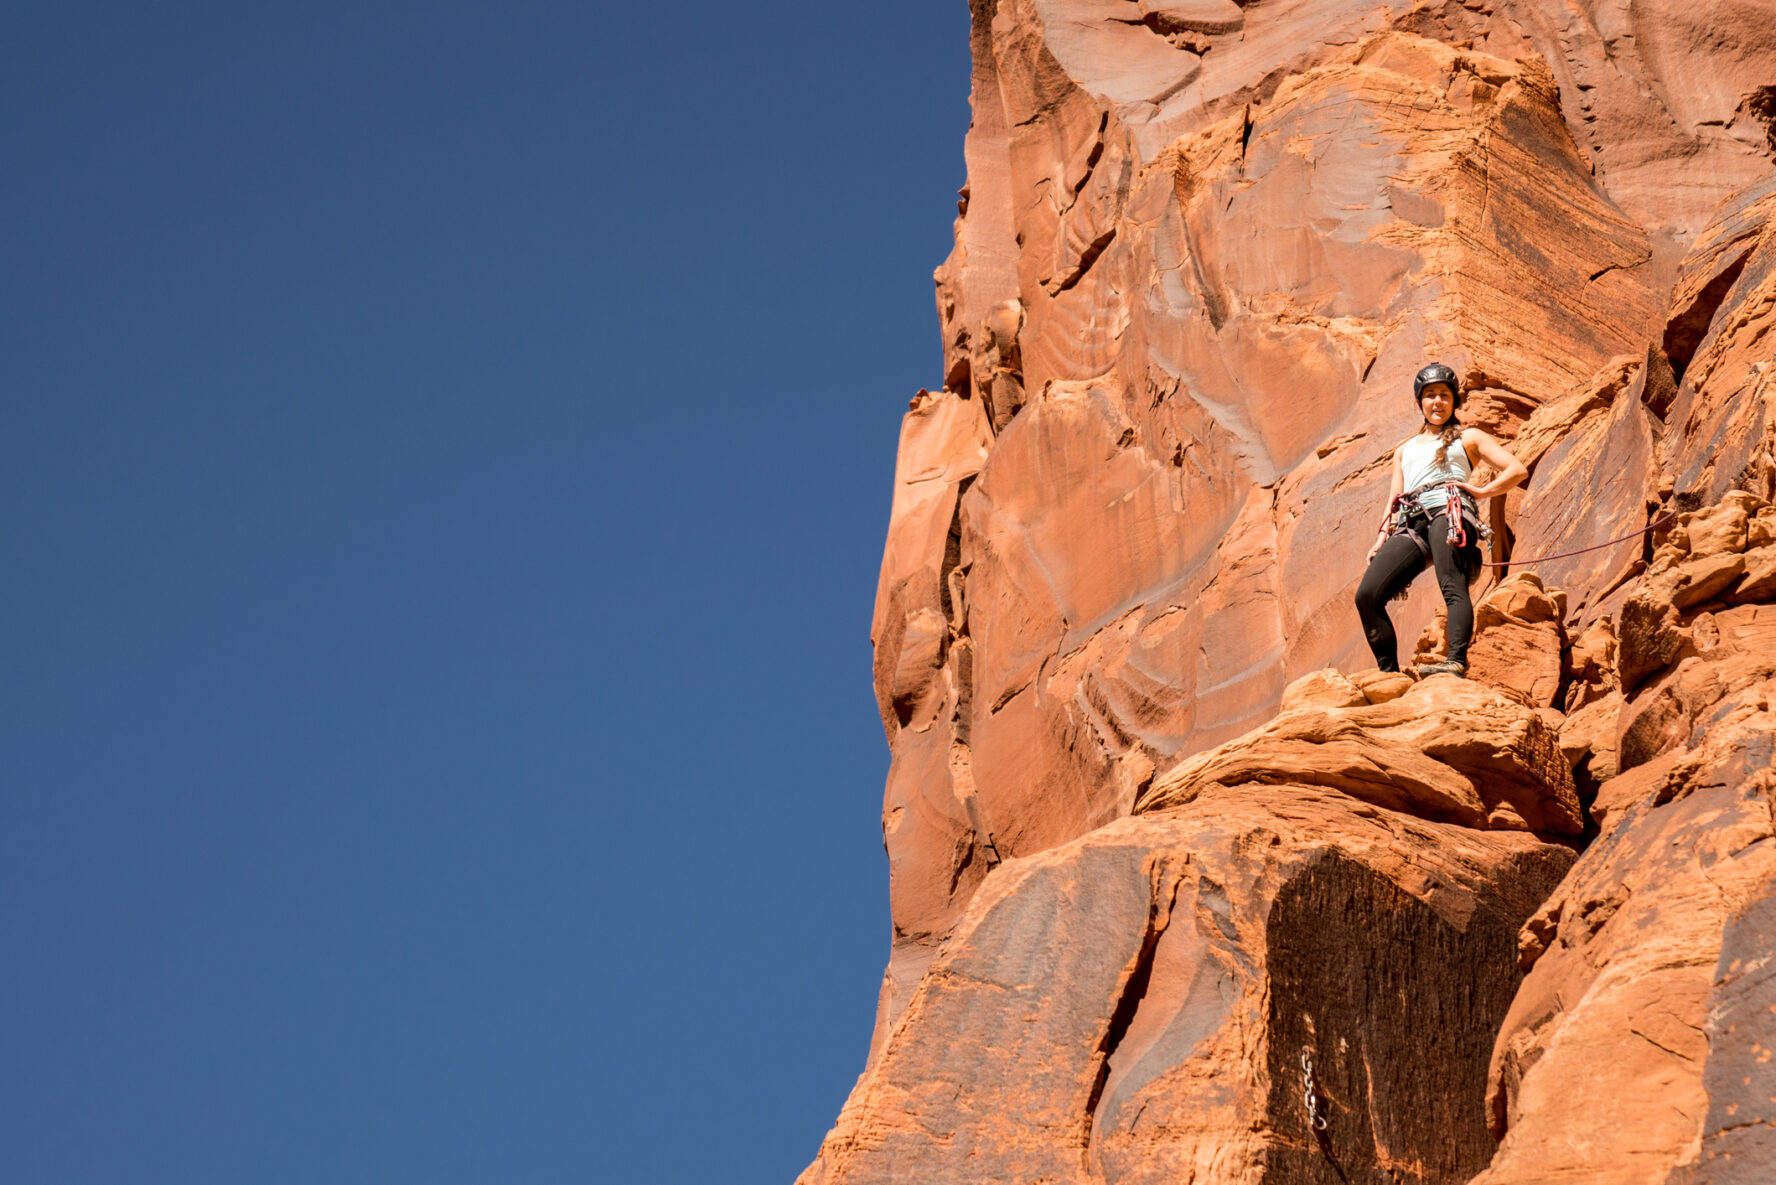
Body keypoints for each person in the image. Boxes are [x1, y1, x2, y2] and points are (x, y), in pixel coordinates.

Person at [1355, 363, 1528, 677]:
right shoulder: (1404, 449)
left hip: (1450, 513)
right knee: (1367, 595)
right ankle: (1388, 675)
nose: (1437, 402)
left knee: (1452, 585)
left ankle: (1456, 661)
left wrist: (1481, 491)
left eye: (1445, 395)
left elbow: (1517, 470)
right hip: (1411, 522)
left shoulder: (1469, 437)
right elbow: (1394, 499)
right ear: (1420, 402)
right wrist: (1381, 539)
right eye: (1430, 395)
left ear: (1454, 402)